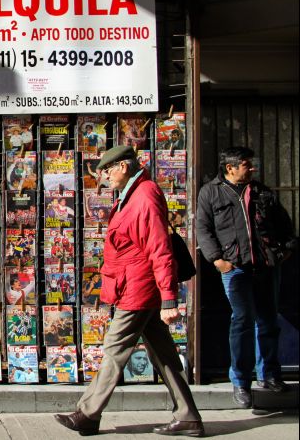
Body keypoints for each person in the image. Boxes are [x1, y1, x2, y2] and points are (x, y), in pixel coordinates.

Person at [54, 145, 203, 437]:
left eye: (107, 170)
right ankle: (188, 417)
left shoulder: (144, 195)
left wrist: (169, 298)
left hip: (140, 288)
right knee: (164, 356)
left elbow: (160, 250)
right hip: (135, 285)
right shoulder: (132, 194)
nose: (104, 177)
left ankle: (87, 413)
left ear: (123, 167)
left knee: (114, 349)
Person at [196, 146, 296, 407]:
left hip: (266, 267)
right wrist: (217, 260)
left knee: (268, 321)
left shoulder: (262, 191)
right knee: (241, 322)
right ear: (230, 168)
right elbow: (203, 229)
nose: (252, 168)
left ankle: (269, 375)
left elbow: (285, 225)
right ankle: (240, 382)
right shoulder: (210, 192)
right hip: (235, 269)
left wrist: (284, 251)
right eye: (246, 164)